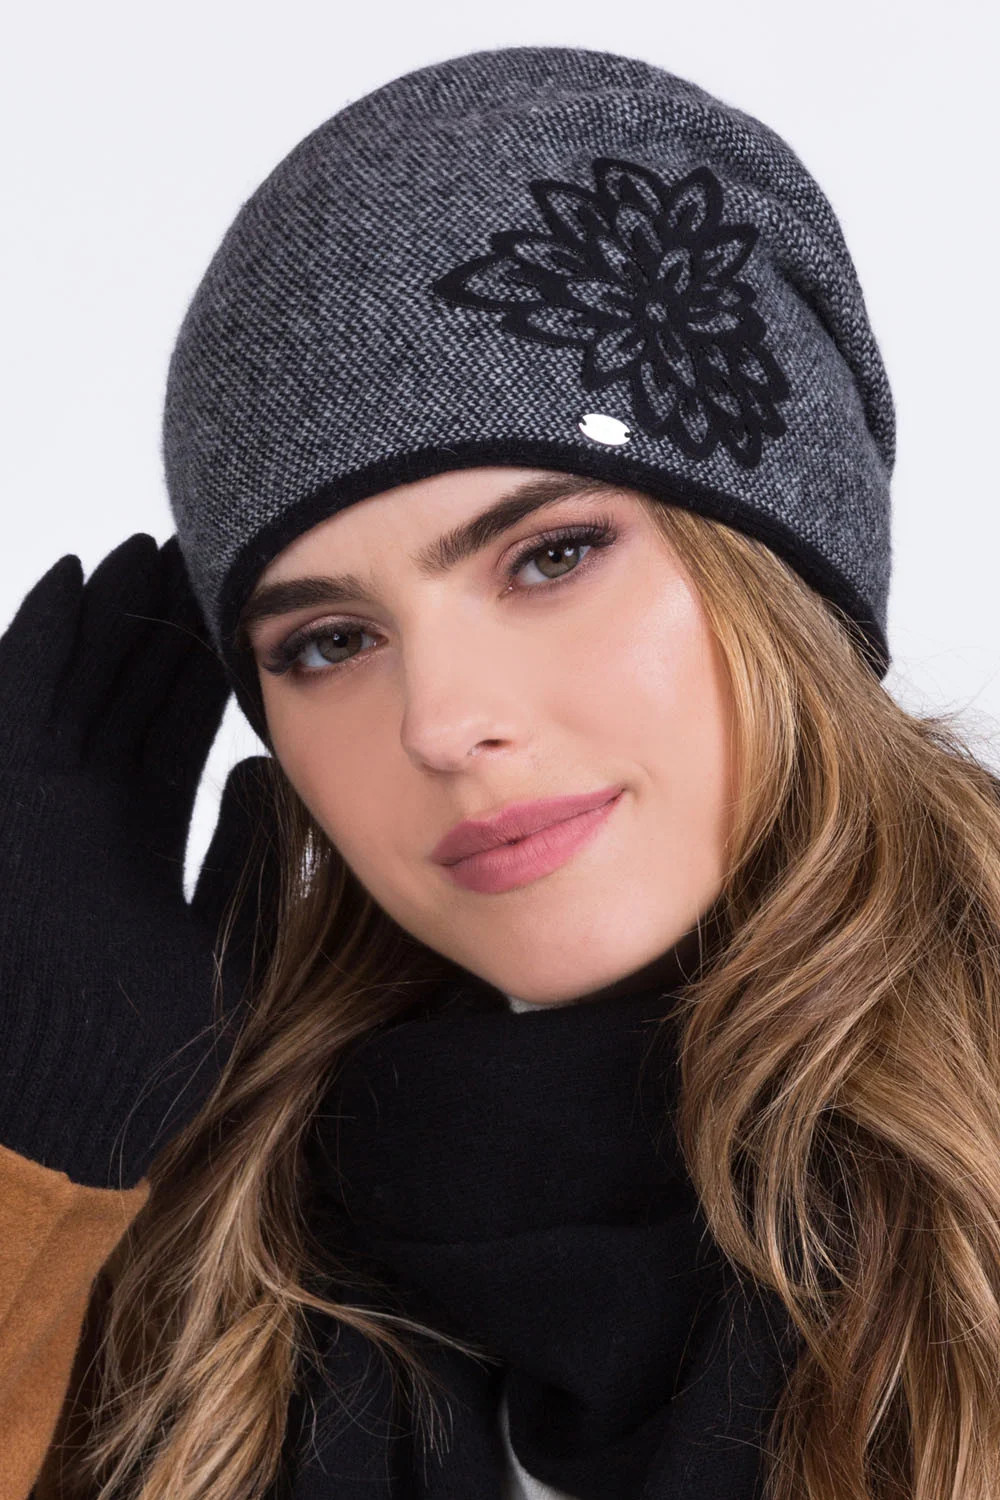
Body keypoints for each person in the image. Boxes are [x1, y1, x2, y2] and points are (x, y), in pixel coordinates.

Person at [2, 41, 999, 1500]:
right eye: (331, 642)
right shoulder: (198, 1282)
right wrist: (35, 1168)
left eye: (551, 555)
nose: (440, 723)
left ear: (784, 572)